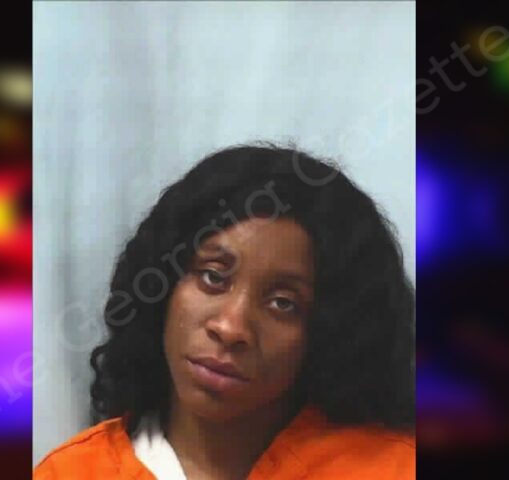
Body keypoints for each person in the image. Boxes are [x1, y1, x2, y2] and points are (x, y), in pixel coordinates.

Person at [34, 144, 415, 479]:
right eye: (213, 277)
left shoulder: (395, 468)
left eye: (283, 303)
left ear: (331, 331)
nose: (231, 327)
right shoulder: (70, 474)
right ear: (162, 287)